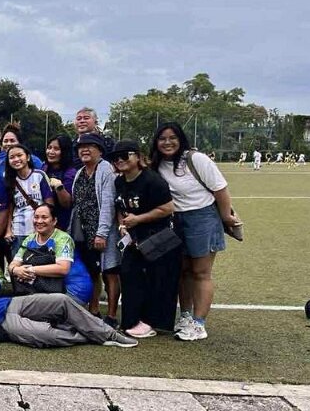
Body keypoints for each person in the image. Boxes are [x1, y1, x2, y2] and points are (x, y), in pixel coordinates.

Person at [150, 122, 240, 341]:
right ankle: (186, 316)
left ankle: (199, 324)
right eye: (162, 138)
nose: (167, 142)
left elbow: (220, 189)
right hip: (175, 220)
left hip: (203, 217)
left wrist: (226, 216)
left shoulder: (196, 159)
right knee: (183, 271)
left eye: (172, 138)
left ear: (181, 139)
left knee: (200, 272)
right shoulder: (156, 163)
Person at [0, 272, 137, 348]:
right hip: (4, 325)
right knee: (45, 335)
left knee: (61, 300)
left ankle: (109, 334)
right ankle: (90, 336)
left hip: (11, 304)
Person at [111, 140, 182, 337]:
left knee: (158, 279)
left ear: (137, 156)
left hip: (159, 238)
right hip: (135, 238)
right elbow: (120, 207)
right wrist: (122, 225)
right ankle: (132, 320)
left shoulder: (152, 180)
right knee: (129, 274)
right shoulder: (119, 182)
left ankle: (153, 323)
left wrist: (138, 219)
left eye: (125, 155)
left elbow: (168, 208)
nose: (120, 160)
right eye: (115, 157)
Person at [68, 133, 120, 322]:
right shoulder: (80, 173)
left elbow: (108, 204)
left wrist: (102, 233)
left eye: (90, 146)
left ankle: (112, 315)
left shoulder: (106, 170)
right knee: (92, 271)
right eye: (81, 147)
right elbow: (76, 205)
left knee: (110, 272)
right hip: (84, 233)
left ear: (100, 150)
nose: (85, 150)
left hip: (103, 232)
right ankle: (94, 309)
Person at [9, 203, 92, 305]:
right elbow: (13, 264)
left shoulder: (63, 238)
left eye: (44, 217)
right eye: (36, 217)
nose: (39, 221)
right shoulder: (30, 239)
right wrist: (16, 270)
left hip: (74, 290)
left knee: (27, 308)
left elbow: (63, 268)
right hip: (51, 288)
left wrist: (30, 270)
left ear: (54, 221)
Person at [3, 145, 53, 257]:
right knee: (18, 263)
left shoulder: (39, 175)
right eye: (12, 157)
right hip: (18, 231)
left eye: (19, 155)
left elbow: (49, 203)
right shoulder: (9, 180)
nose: (16, 159)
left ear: (28, 157)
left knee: (40, 262)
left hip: (40, 228)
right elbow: (10, 207)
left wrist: (47, 227)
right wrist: (8, 230)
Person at [42, 135, 76, 231]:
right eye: (49, 148)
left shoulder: (71, 173)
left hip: (62, 225)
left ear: (65, 152)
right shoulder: (44, 168)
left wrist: (59, 187)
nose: (51, 152)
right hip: (43, 221)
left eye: (56, 149)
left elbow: (67, 204)